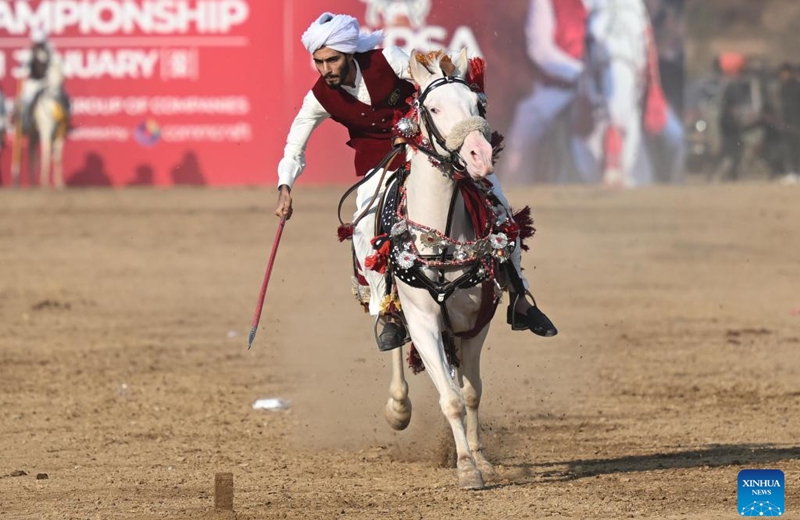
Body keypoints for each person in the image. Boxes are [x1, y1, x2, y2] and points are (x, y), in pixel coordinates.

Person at [274, 12, 556, 351]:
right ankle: (386, 312)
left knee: (497, 201)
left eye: (332, 60)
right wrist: (285, 185)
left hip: (430, 151)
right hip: (379, 165)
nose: (326, 69)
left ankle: (520, 297)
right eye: (318, 62)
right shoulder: (319, 97)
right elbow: (295, 144)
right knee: (363, 227)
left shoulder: (388, 60)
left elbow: (434, 81)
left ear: (349, 53)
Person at [19, 28, 71, 135]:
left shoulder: (50, 52)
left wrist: (63, 69)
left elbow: (59, 63)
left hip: (46, 82)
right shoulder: (29, 53)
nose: (38, 44)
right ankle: (26, 123)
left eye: (40, 42)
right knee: (26, 99)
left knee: (64, 97)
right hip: (33, 83)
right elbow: (24, 67)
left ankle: (66, 123)